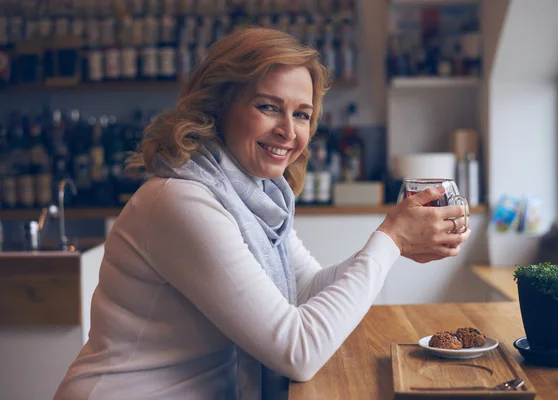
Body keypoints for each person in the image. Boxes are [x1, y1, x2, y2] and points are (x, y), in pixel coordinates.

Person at [53, 27, 470, 400]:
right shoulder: (181, 202)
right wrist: (390, 240)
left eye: (302, 114)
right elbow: (298, 351)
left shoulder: (257, 196)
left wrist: (391, 248)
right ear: (217, 107)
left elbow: (304, 288)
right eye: (269, 107)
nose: (289, 131)